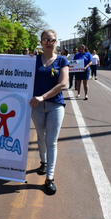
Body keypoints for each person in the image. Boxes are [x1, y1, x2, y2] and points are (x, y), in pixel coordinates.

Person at [29, 29, 69, 195]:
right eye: (45, 40)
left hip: (55, 105)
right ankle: (43, 162)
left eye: (51, 40)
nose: (47, 42)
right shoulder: (33, 60)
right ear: (40, 42)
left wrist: (42, 97)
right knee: (41, 136)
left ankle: (50, 178)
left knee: (51, 141)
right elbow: (7, 65)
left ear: (56, 42)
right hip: (36, 106)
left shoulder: (62, 60)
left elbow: (63, 84)